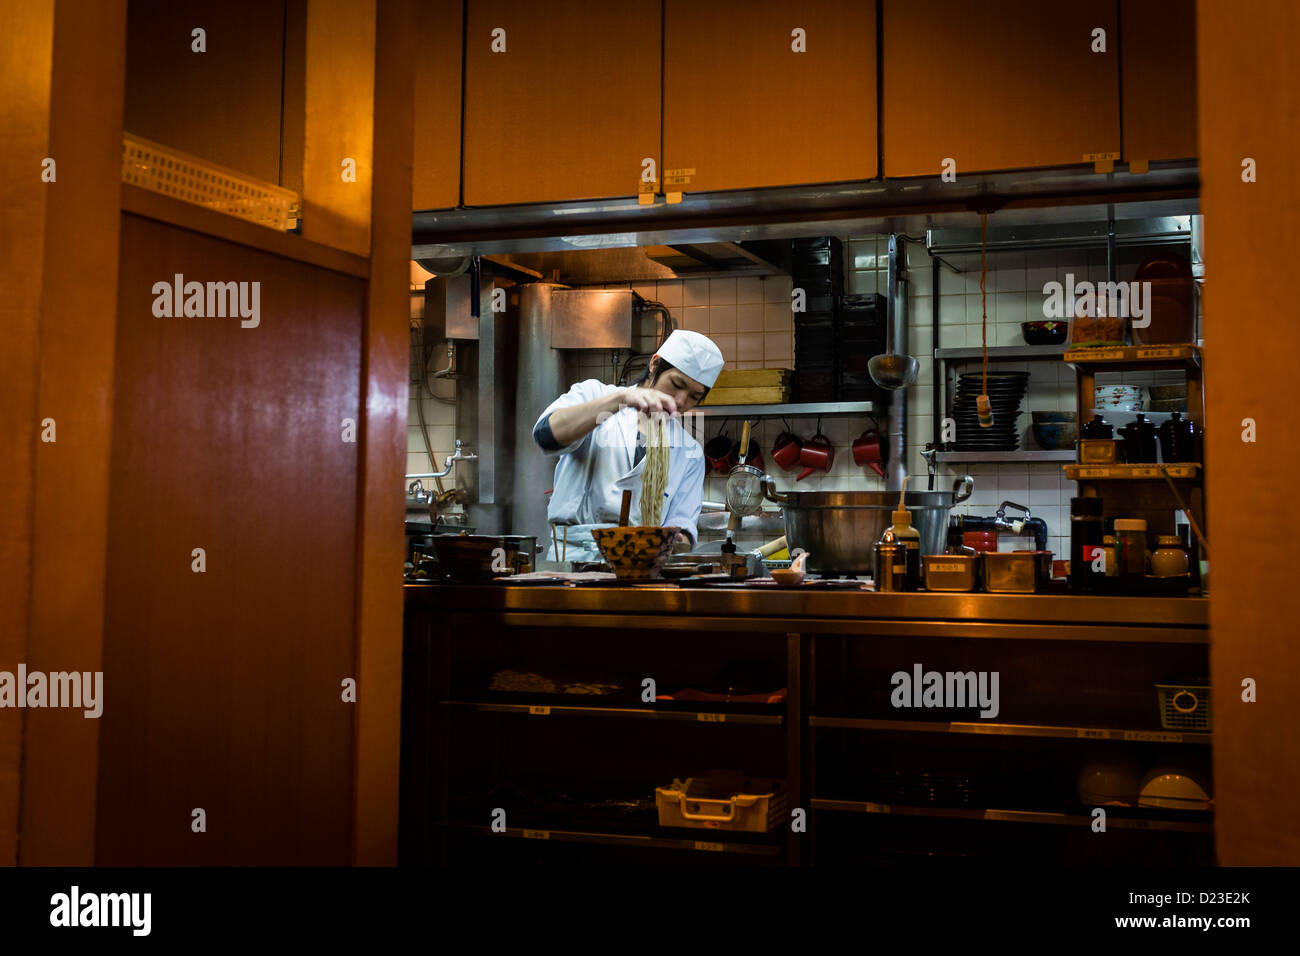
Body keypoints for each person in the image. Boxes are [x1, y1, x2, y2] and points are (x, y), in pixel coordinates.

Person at [532, 329, 725, 563]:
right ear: (655, 364)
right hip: (572, 559)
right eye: (676, 384)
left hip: (641, 566)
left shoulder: (690, 451)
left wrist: (671, 541)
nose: (681, 401)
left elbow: (682, 527)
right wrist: (620, 400)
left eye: (694, 396)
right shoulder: (595, 395)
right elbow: (546, 436)